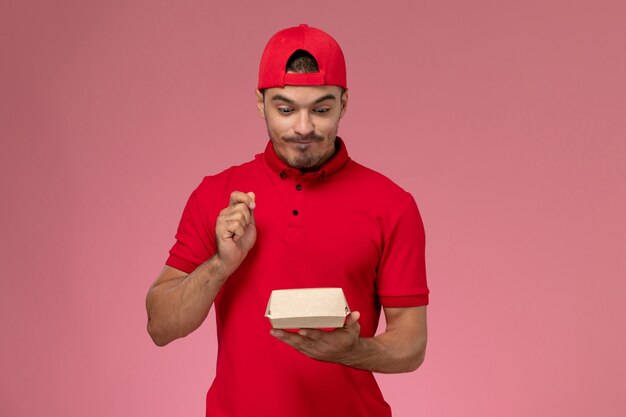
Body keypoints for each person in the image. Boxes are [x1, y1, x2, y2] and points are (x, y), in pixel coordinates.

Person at [146, 24, 430, 417]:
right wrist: (221, 265)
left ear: (344, 104)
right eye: (285, 109)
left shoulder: (392, 205)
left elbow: (411, 345)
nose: (303, 127)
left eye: (321, 109)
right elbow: (160, 326)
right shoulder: (217, 196)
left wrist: (354, 351)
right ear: (260, 104)